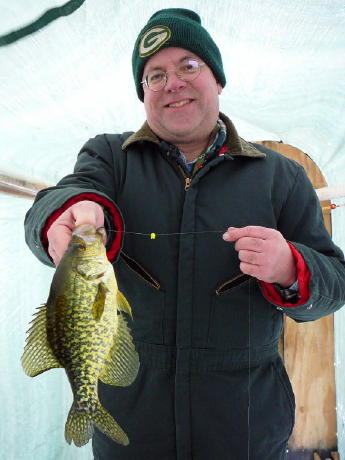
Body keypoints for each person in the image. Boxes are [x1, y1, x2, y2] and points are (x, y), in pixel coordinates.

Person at [24, 8, 345, 460]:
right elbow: (64, 196)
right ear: (144, 93)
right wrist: (67, 209)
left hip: (246, 432)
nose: (172, 82)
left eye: (188, 66)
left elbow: (334, 284)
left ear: (217, 80)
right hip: (131, 436)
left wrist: (291, 267)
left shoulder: (282, 177)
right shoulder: (110, 157)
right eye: (155, 75)